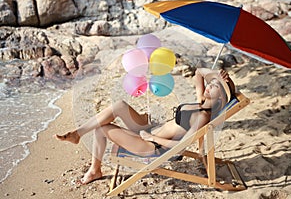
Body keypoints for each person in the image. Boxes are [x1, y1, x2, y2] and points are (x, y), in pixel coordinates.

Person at [54, 68, 235, 185]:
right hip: (150, 129)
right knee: (119, 105)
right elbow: (198, 73)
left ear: (221, 97)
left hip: (153, 145)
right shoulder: (201, 101)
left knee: (101, 129)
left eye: (215, 87)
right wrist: (215, 74)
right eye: (210, 84)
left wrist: (152, 138)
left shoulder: (203, 116)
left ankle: (95, 170)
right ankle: (78, 134)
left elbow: (180, 146)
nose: (209, 87)